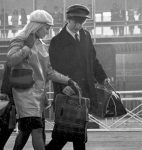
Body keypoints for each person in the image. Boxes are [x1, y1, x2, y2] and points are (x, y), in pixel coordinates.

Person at [7, 9, 78, 150]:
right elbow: (11, 60)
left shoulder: (41, 44)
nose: (48, 32)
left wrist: (68, 80)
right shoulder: (20, 40)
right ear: (37, 26)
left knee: (28, 130)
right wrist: (27, 47)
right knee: (37, 130)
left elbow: (49, 72)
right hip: (25, 95)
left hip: (39, 96)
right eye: (47, 28)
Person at [46, 4, 110, 150]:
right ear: (68, 20)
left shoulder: (86, 36)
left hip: (84, 93)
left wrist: (102, 78)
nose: (78, 26)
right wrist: (64, 87)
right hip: (67, 93)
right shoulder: (57, 41)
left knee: (79, 135)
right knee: (61, 136)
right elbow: (54, 69)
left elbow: (93, 60)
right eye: (76, 22)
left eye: (82, 23)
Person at [0, 62, 16, 150]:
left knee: (9, 125)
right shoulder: (14, 60)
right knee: (9, 124)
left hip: (11, 96)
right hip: (13, 97)